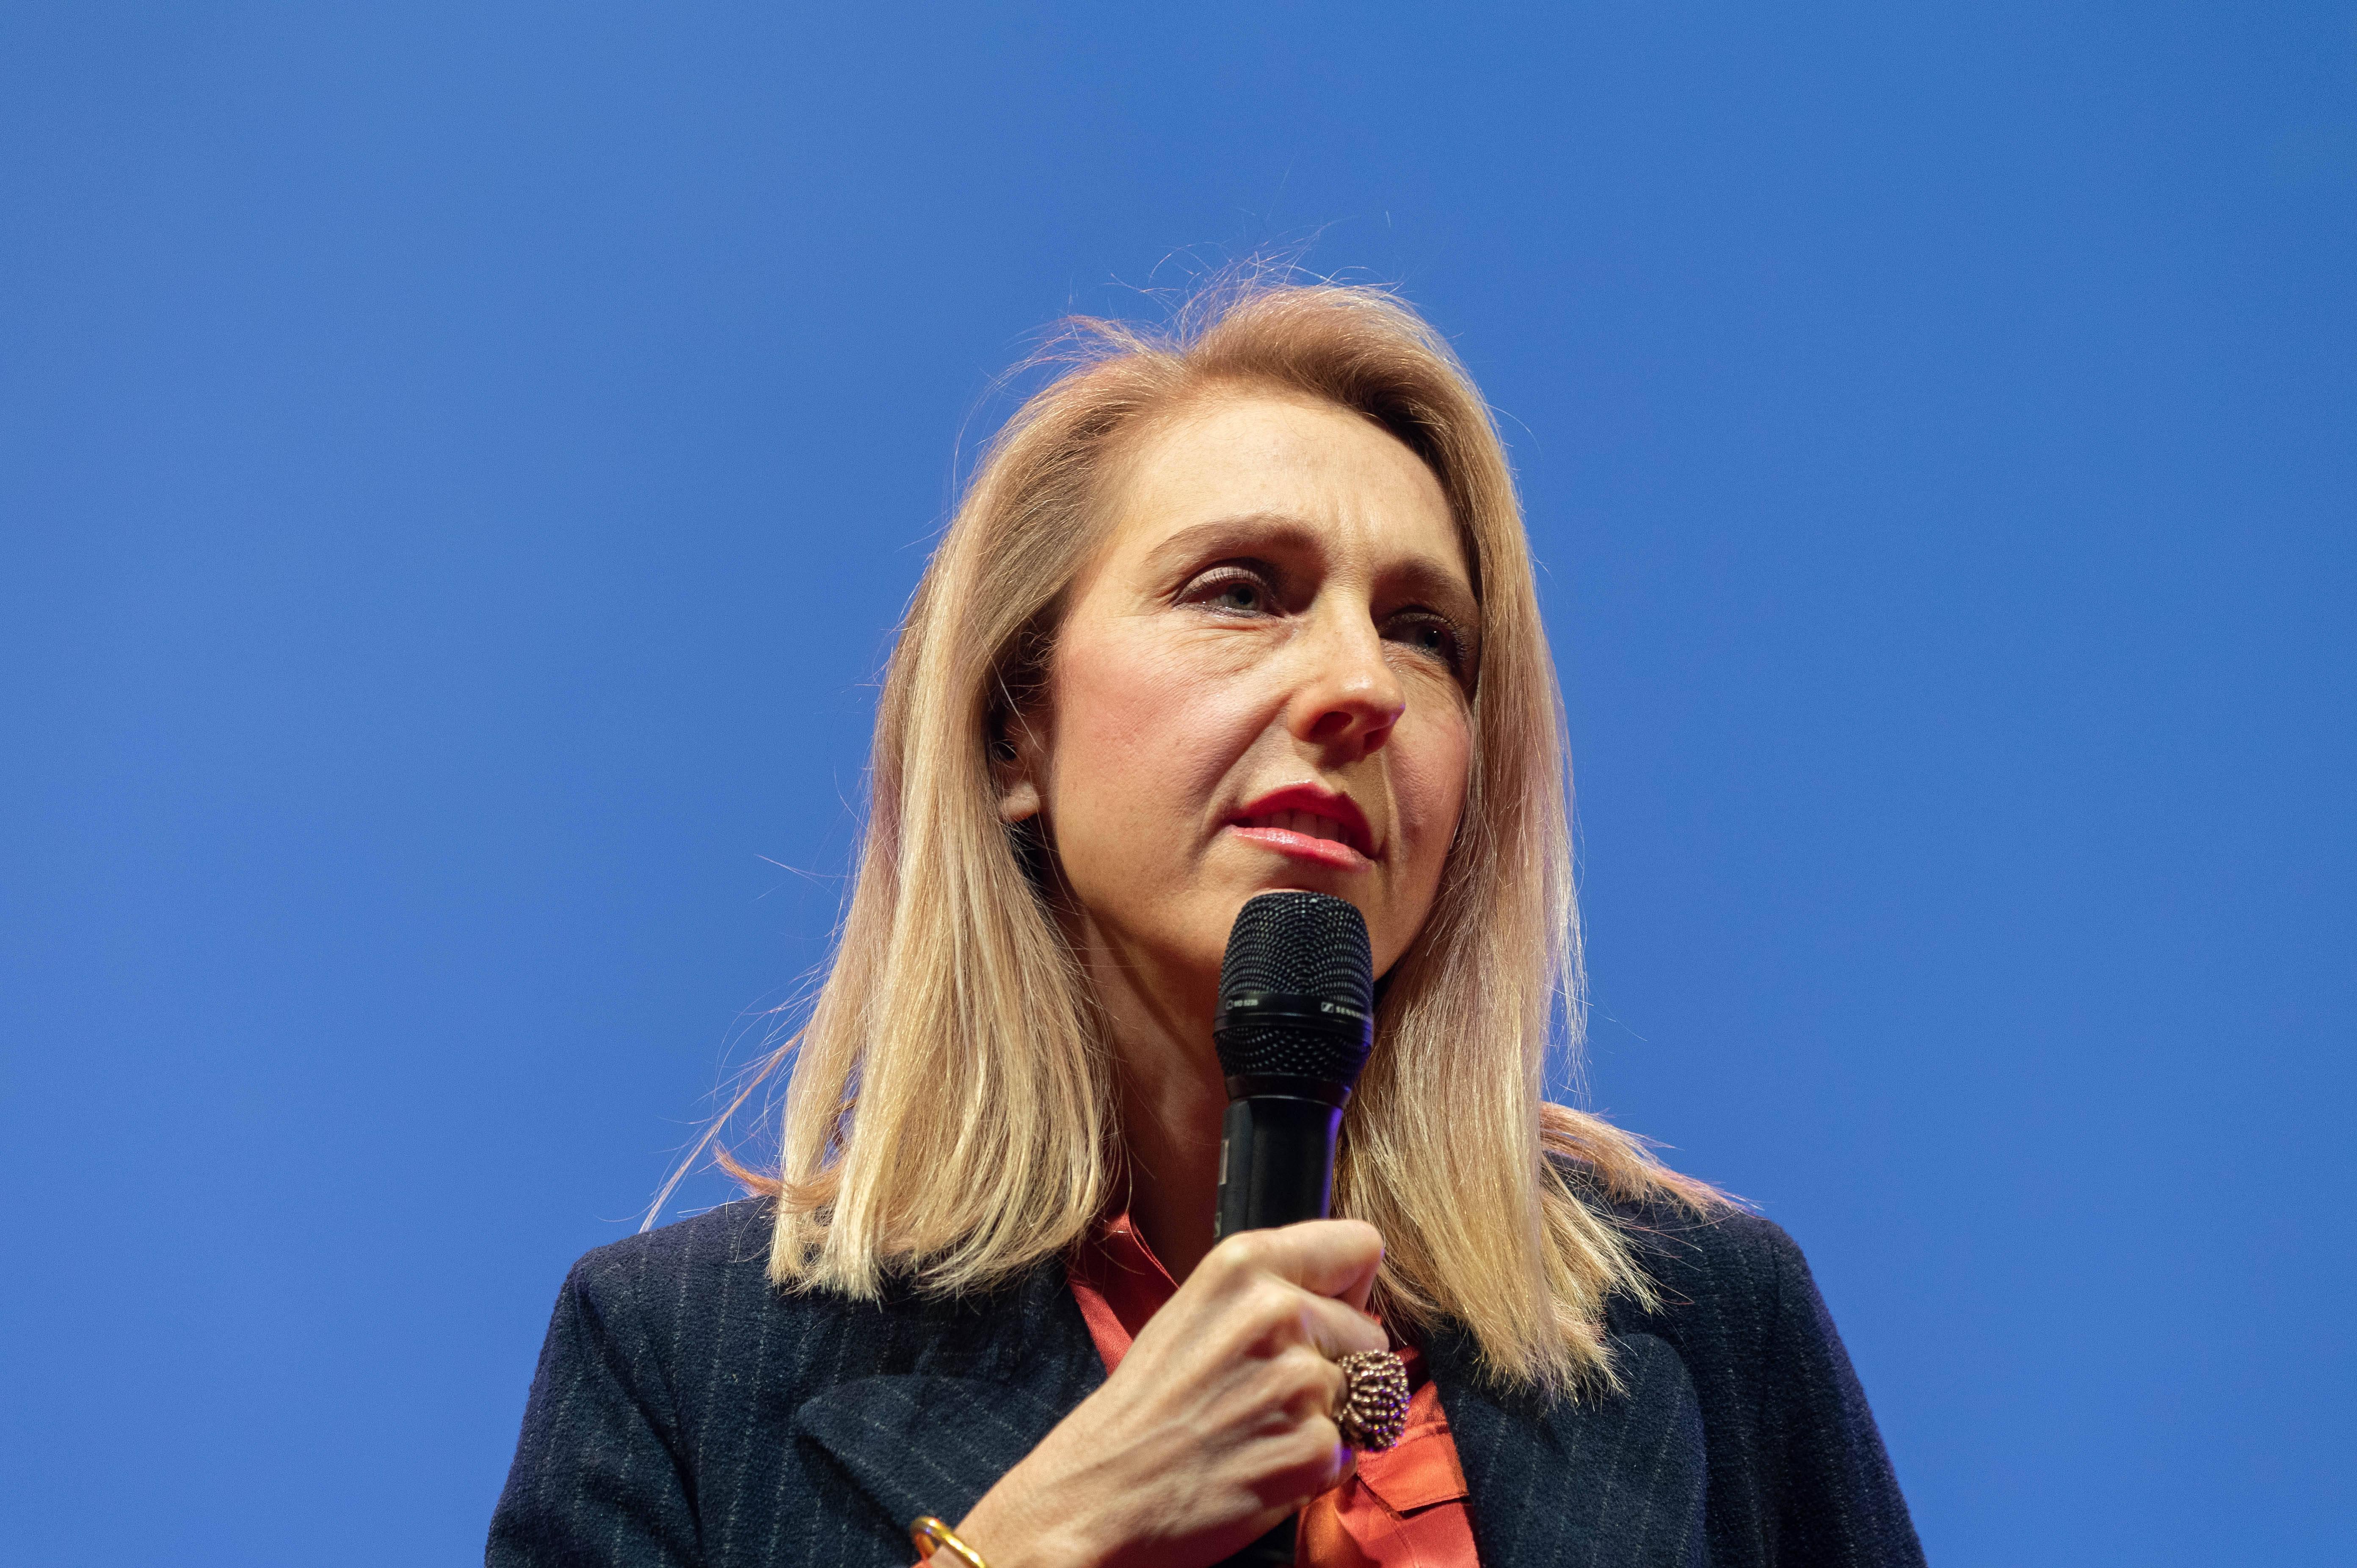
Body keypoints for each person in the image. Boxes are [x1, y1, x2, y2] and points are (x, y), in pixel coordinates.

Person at [487, 280, 1924, 1568]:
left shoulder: (1713, 1320)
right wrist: (1036, 1551)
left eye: (1425, 633)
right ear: (1014, 732)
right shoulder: (680, 1361)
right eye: (1240, 592)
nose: (1361, 684)